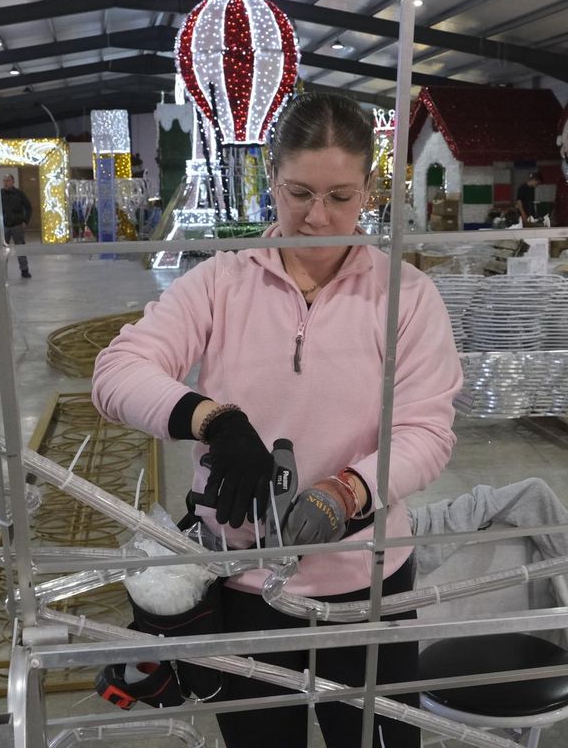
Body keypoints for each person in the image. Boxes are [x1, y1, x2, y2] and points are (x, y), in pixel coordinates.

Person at [92, 93, 462, 748]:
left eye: (342, 197)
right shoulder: (219, 285)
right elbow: (118, 371)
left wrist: (348, 488)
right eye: (298, 192)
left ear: (371, 188)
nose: (318, 218)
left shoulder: (405, 297)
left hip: (366, 585)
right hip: (244, 584)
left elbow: (426, 431)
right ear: (271, 174)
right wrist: (211, 418)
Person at [0, 173, 33, 279]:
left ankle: (24, 270)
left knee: (20, 248)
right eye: (4, 180)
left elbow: (28, 207)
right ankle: (2, 270)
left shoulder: (19, 194)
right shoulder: (0, 194)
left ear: (13, 182)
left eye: (8, 180)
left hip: (17, 226)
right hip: (4, 226)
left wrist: (25, 221)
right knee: (3, 250)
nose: (6, 183)